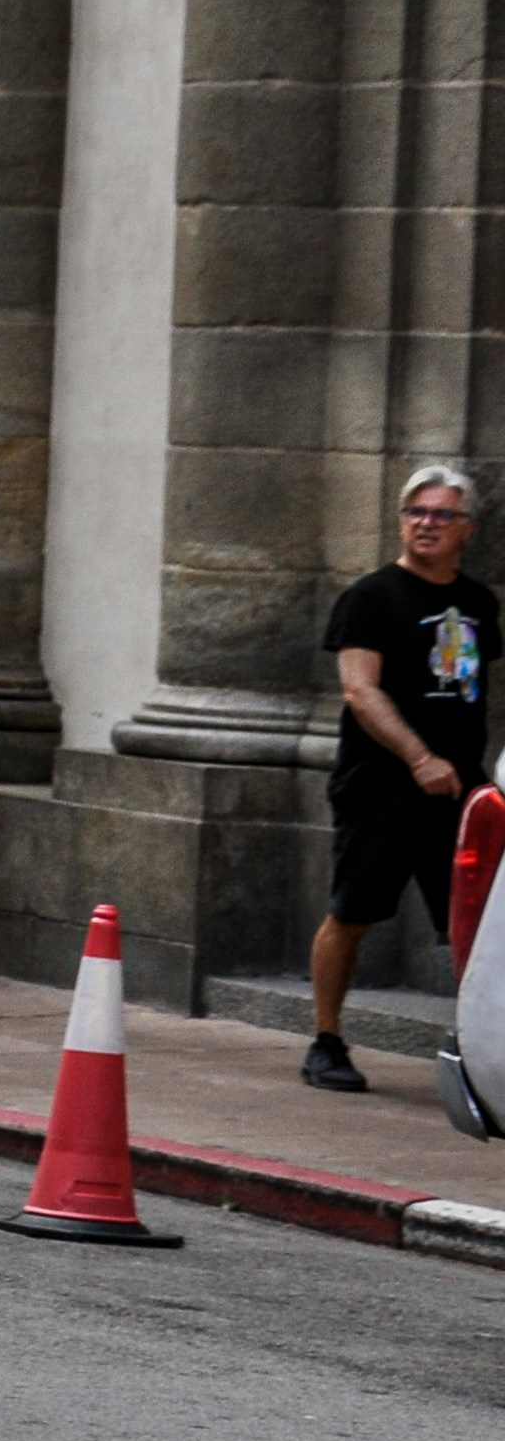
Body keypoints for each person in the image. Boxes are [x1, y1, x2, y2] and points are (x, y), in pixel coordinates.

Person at [302, 465, 498, 1091]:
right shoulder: (372, 597)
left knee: (473, 929)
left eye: (442, 515)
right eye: (416, 513)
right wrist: (419, 757)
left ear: (466, 528)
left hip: (459, 795)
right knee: (352, 915)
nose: (426, 525)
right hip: (380, 787)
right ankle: (326, 1040)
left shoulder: (477, 602)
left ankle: (480, 1054)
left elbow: (471, 690)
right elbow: (360, 690)